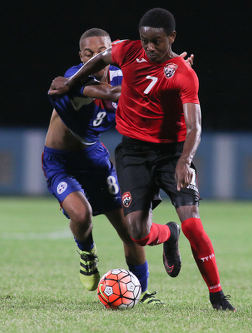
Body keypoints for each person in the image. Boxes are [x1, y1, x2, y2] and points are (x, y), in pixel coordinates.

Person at [49, 8, 236, 311]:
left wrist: (185, 161)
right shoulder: (127, 52)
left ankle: (217, 295)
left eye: (157, 42)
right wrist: (72, 84)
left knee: (193, 225)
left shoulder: (184, 73)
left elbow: (195, 126)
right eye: (145, 41)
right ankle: (167, 234)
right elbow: (101, 63)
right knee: (136, 232)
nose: (149, 47)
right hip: (133, 155)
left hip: (173, 154)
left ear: (171, 38)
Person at [42, 27, 161, 305]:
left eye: (101, 52)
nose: (95, 57)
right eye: (89, 53)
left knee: (131, 230)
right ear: (80, 56)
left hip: (95, 159)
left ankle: (142, 293)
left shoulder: (125, 74)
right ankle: (87, 253)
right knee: (82, 216)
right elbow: (106, 92)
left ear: (111, 51)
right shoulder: (75, 80)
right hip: (60, 162)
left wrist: (172, 68)